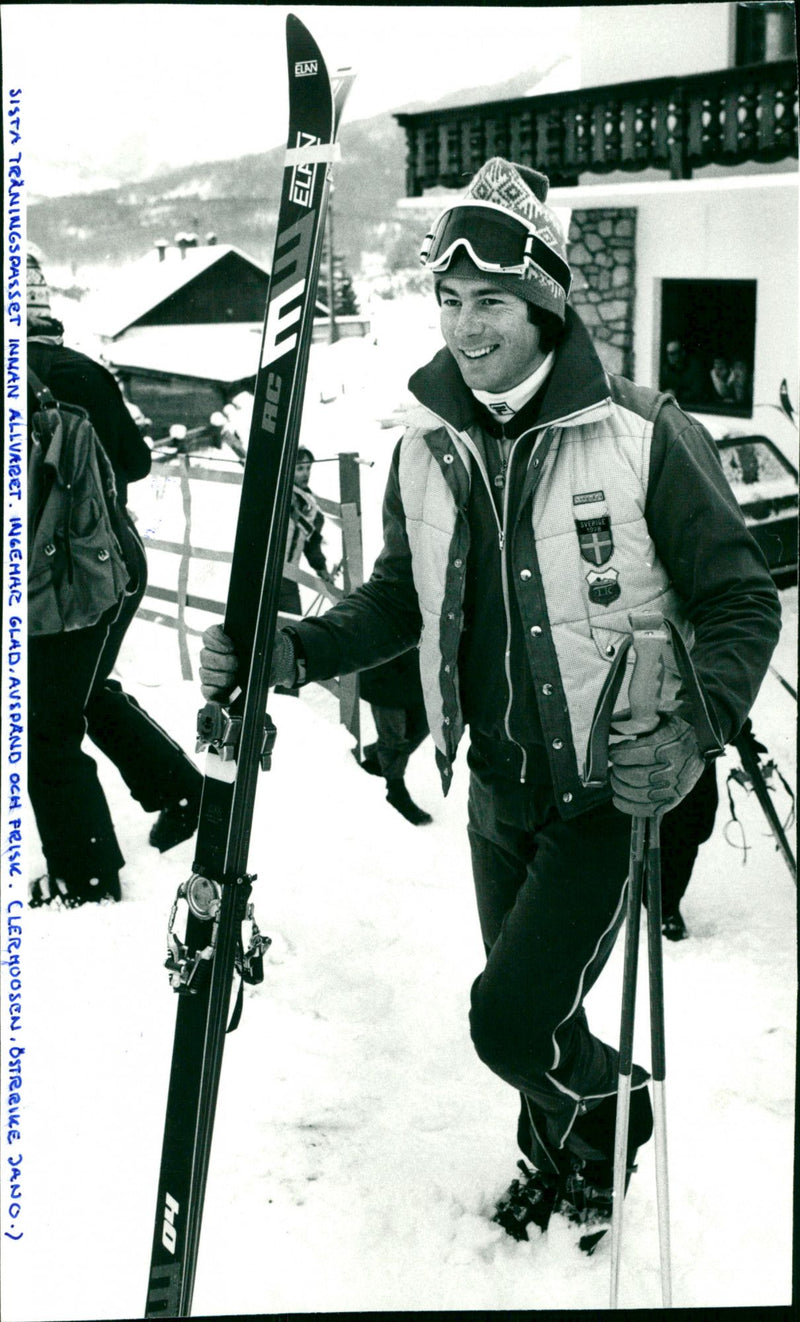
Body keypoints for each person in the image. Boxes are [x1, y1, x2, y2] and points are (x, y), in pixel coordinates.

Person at [199, 159, 780, 1235]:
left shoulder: (643, 433)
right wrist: (294, 645)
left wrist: (694, 734)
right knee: (533, 1007)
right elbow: (397, 599)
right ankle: (563, 1160)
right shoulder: (424, 446)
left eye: (492, 303)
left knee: (508, 1017)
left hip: (609, 790)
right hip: (495, 792)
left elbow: (743, 602)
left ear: (545, 303)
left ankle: (616, 1109)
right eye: (449, 301)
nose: (464, 330)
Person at [27, 249, 203, 908]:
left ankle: (87, 879)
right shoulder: (86, 374)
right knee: (81, 689)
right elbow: (134, 464)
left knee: (46, 729)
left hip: (52, 586)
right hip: (115, 568)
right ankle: (182, 790)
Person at [358, 649, 433, 826]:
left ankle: (376, 761)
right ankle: (395, 790)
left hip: (413, 670)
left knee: (426, 723)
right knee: (393, 738)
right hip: (382, 672)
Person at [279, 447, 334, 614]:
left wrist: (322, 570)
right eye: (300, 468)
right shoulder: (279, 493)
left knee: (291, 623)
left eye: (308, 468)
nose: (305, 473)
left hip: (288, 576)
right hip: (267, 571)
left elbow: (311, 545)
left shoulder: (312, 506)